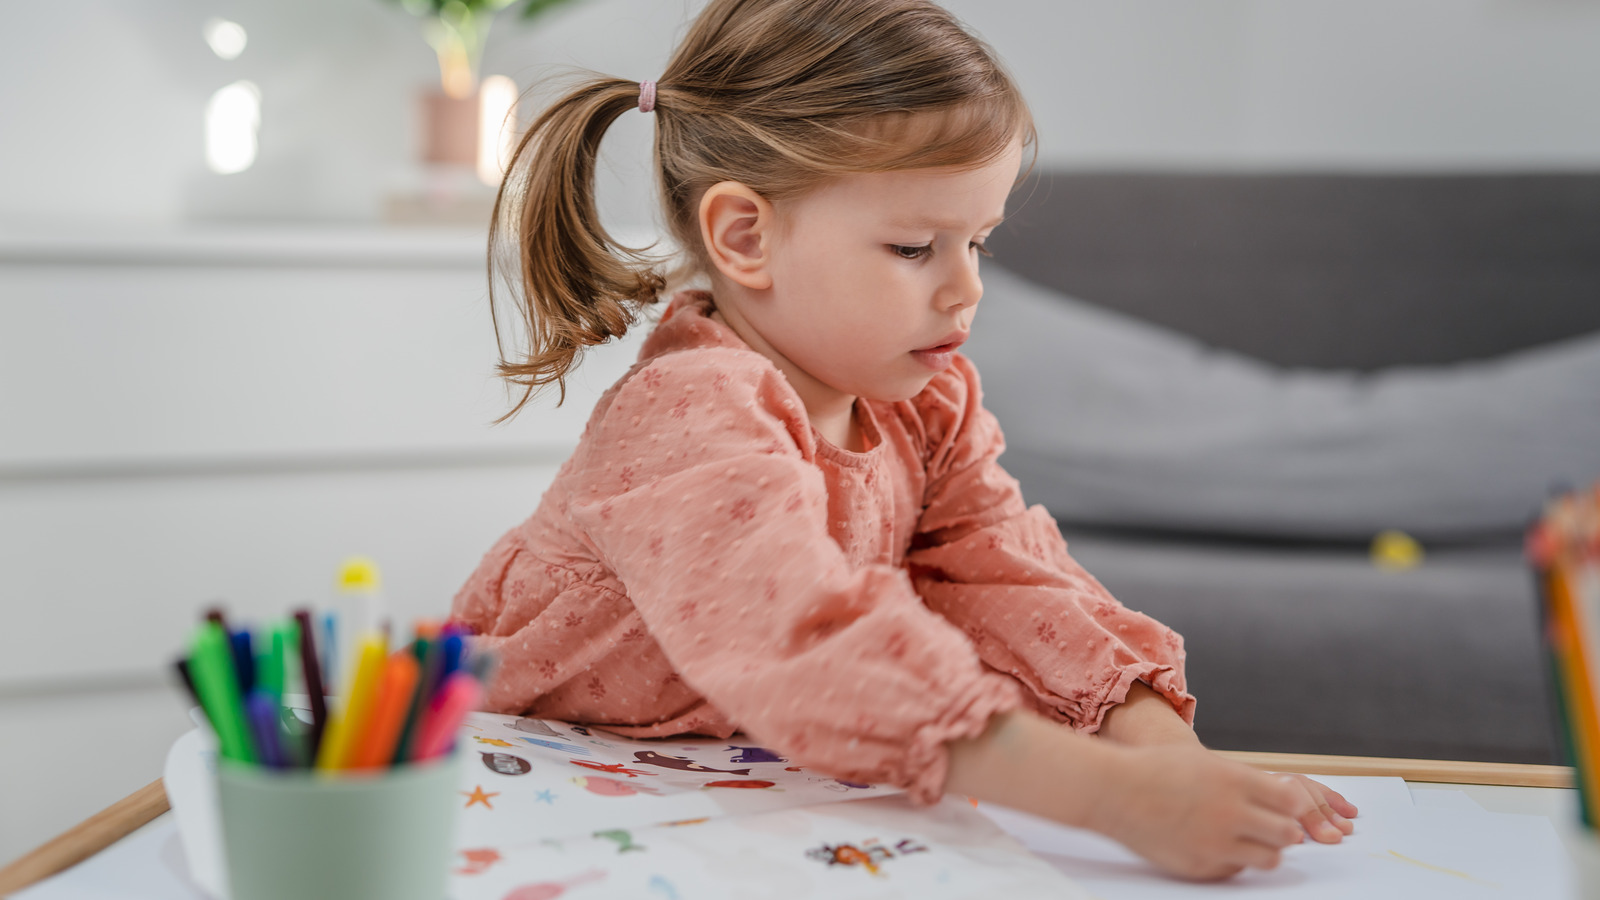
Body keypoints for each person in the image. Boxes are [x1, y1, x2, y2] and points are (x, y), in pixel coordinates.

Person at [451, 0, 1356, 880]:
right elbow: (805, 642)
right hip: (528, 781)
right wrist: (1115, 800)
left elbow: (1010, 578)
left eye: (981, 243)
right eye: (918, 247)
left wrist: (1169, 757)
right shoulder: (691, 409)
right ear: (745, 237)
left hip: (720, 775)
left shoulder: (929, 405)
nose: (967, 290)